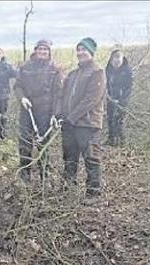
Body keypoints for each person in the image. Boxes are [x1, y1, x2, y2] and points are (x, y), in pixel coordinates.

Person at [55, 37, 106, 196]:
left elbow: (91, 99)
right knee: (69, 157)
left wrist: (73, 117)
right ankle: (68, 188)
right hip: (69, 124)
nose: (80, 52)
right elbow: (63, 96)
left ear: (91, 52)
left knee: (91, 158)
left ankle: (93, 192)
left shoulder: (97, 72)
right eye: (79, 49)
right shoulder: (73, 73)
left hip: (87, 123)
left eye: (84, 49)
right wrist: (60, 115)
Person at [13, 39, 63, 185]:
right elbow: (17, 86)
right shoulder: (25, 67)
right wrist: (22, 98)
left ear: (49, 52)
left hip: (45, 112)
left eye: (45, 50)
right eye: (40, 49)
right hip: (27, 110)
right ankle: (25, 176)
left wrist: (55, 113)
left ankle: (44, 177)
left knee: (43, 144)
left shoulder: (55, 69)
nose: (42, 52)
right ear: (35, 50)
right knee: (24, 143)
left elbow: (58, 93)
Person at [105, 49, 133, 146]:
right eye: (114, 58)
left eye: (118, 58)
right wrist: (108, 96)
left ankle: (121, 140)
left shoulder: (127, 71)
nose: (116, 60)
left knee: (119, 120)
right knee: (110, 119)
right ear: (111, 59)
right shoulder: (108, 69)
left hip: (122, 100)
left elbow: (129, 88)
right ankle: (111, 139)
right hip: (110, 99)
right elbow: (105, 84)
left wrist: (123, 101)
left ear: (122, 58)